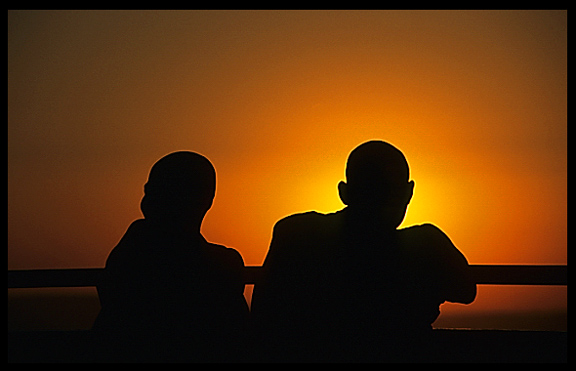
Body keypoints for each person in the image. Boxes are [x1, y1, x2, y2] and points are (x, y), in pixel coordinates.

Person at [250, 140, 476, 362]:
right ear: (409, 192)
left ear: (344, 192)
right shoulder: (424, 246)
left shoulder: (297, 234)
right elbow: (466, 290)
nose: (383, 201)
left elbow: (263, 316)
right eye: (374, 191)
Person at [93, 151, 249, 362]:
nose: (146, 200)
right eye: (148, 191)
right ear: (208, 201)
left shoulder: (136, 247)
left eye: (158, 191)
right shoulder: (226, 263)